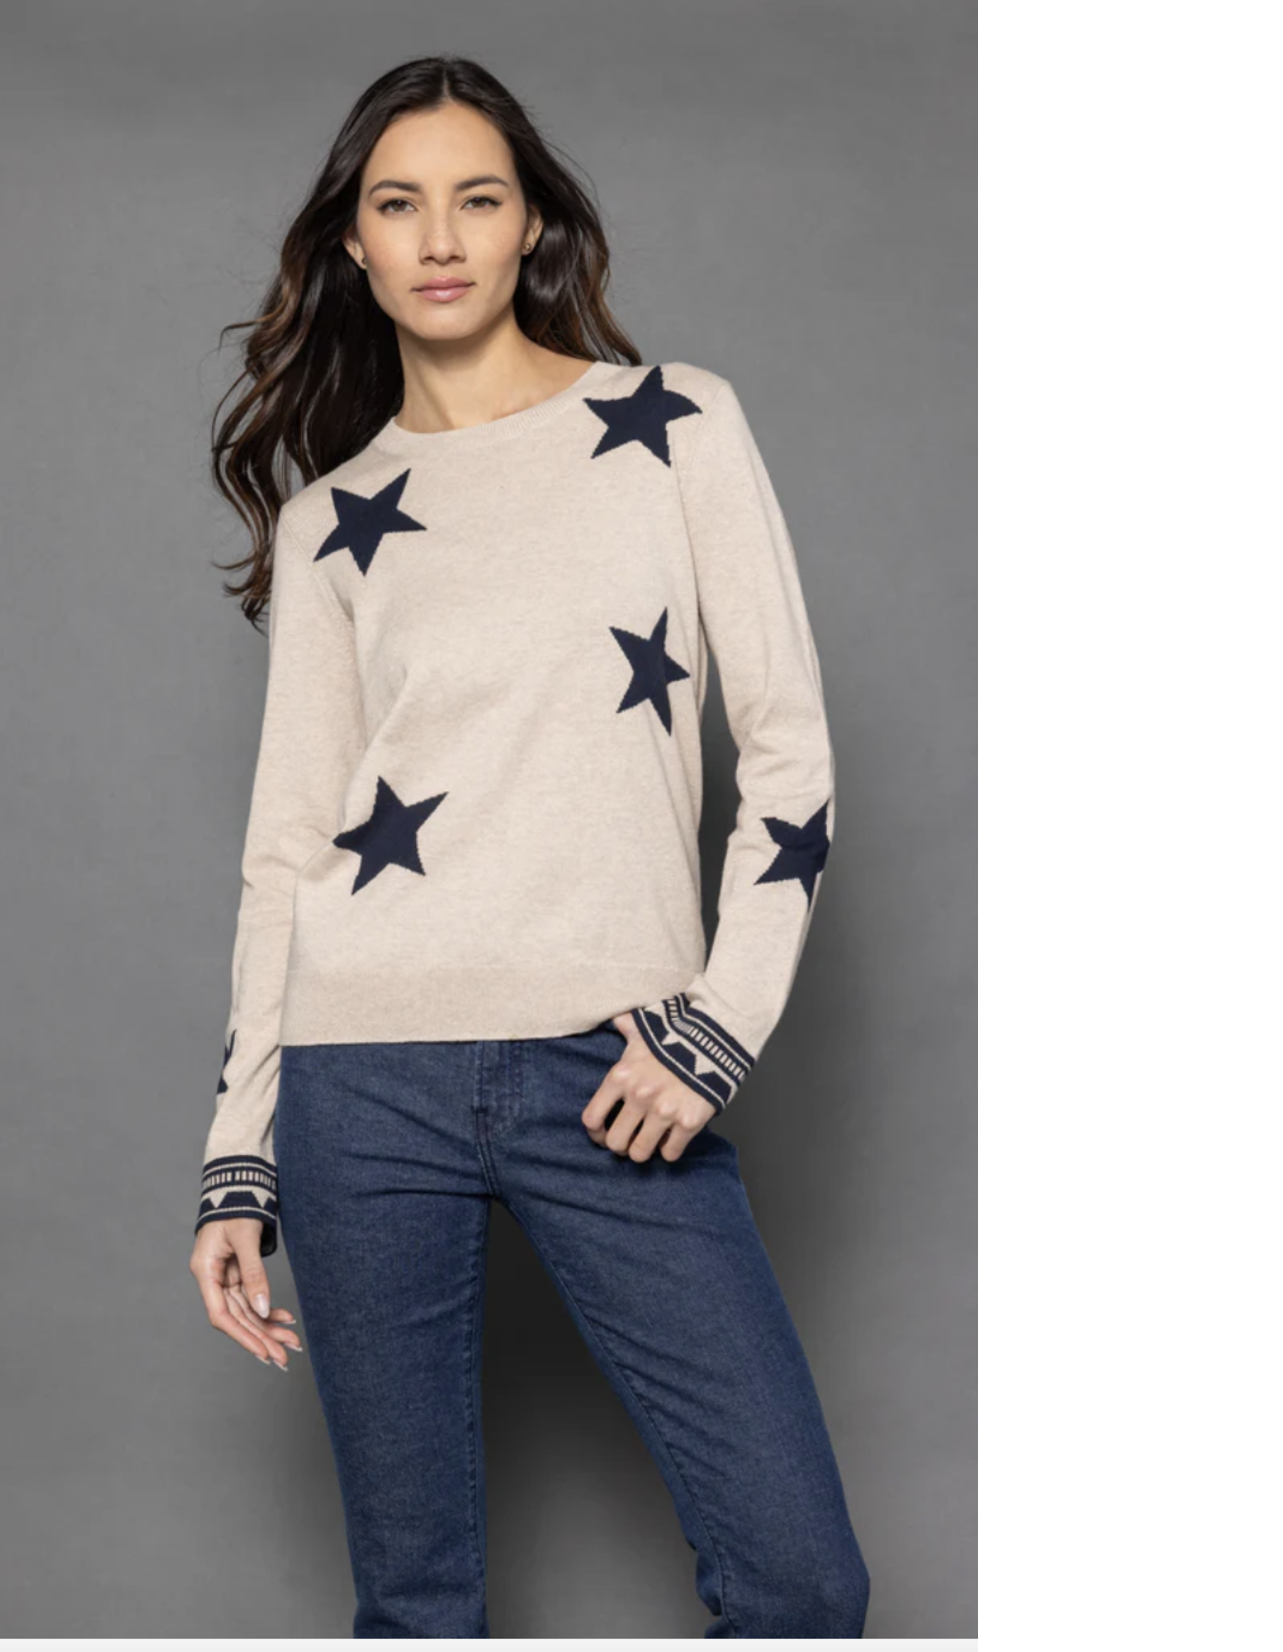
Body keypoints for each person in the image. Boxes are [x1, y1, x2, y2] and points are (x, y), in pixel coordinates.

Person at [188, 53, 870, 1640]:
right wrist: (239, 1155)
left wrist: (716, 1028)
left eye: (477, 199)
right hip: (363, 1084)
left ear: (531, 224)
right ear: (353, 243)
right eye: (398, 204)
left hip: (615, 1063)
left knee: (798, 1578)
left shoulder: (676, 424)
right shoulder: (335, 518)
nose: (439, 238)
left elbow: (790, 756)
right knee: (418, 1607)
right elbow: (286, 854)